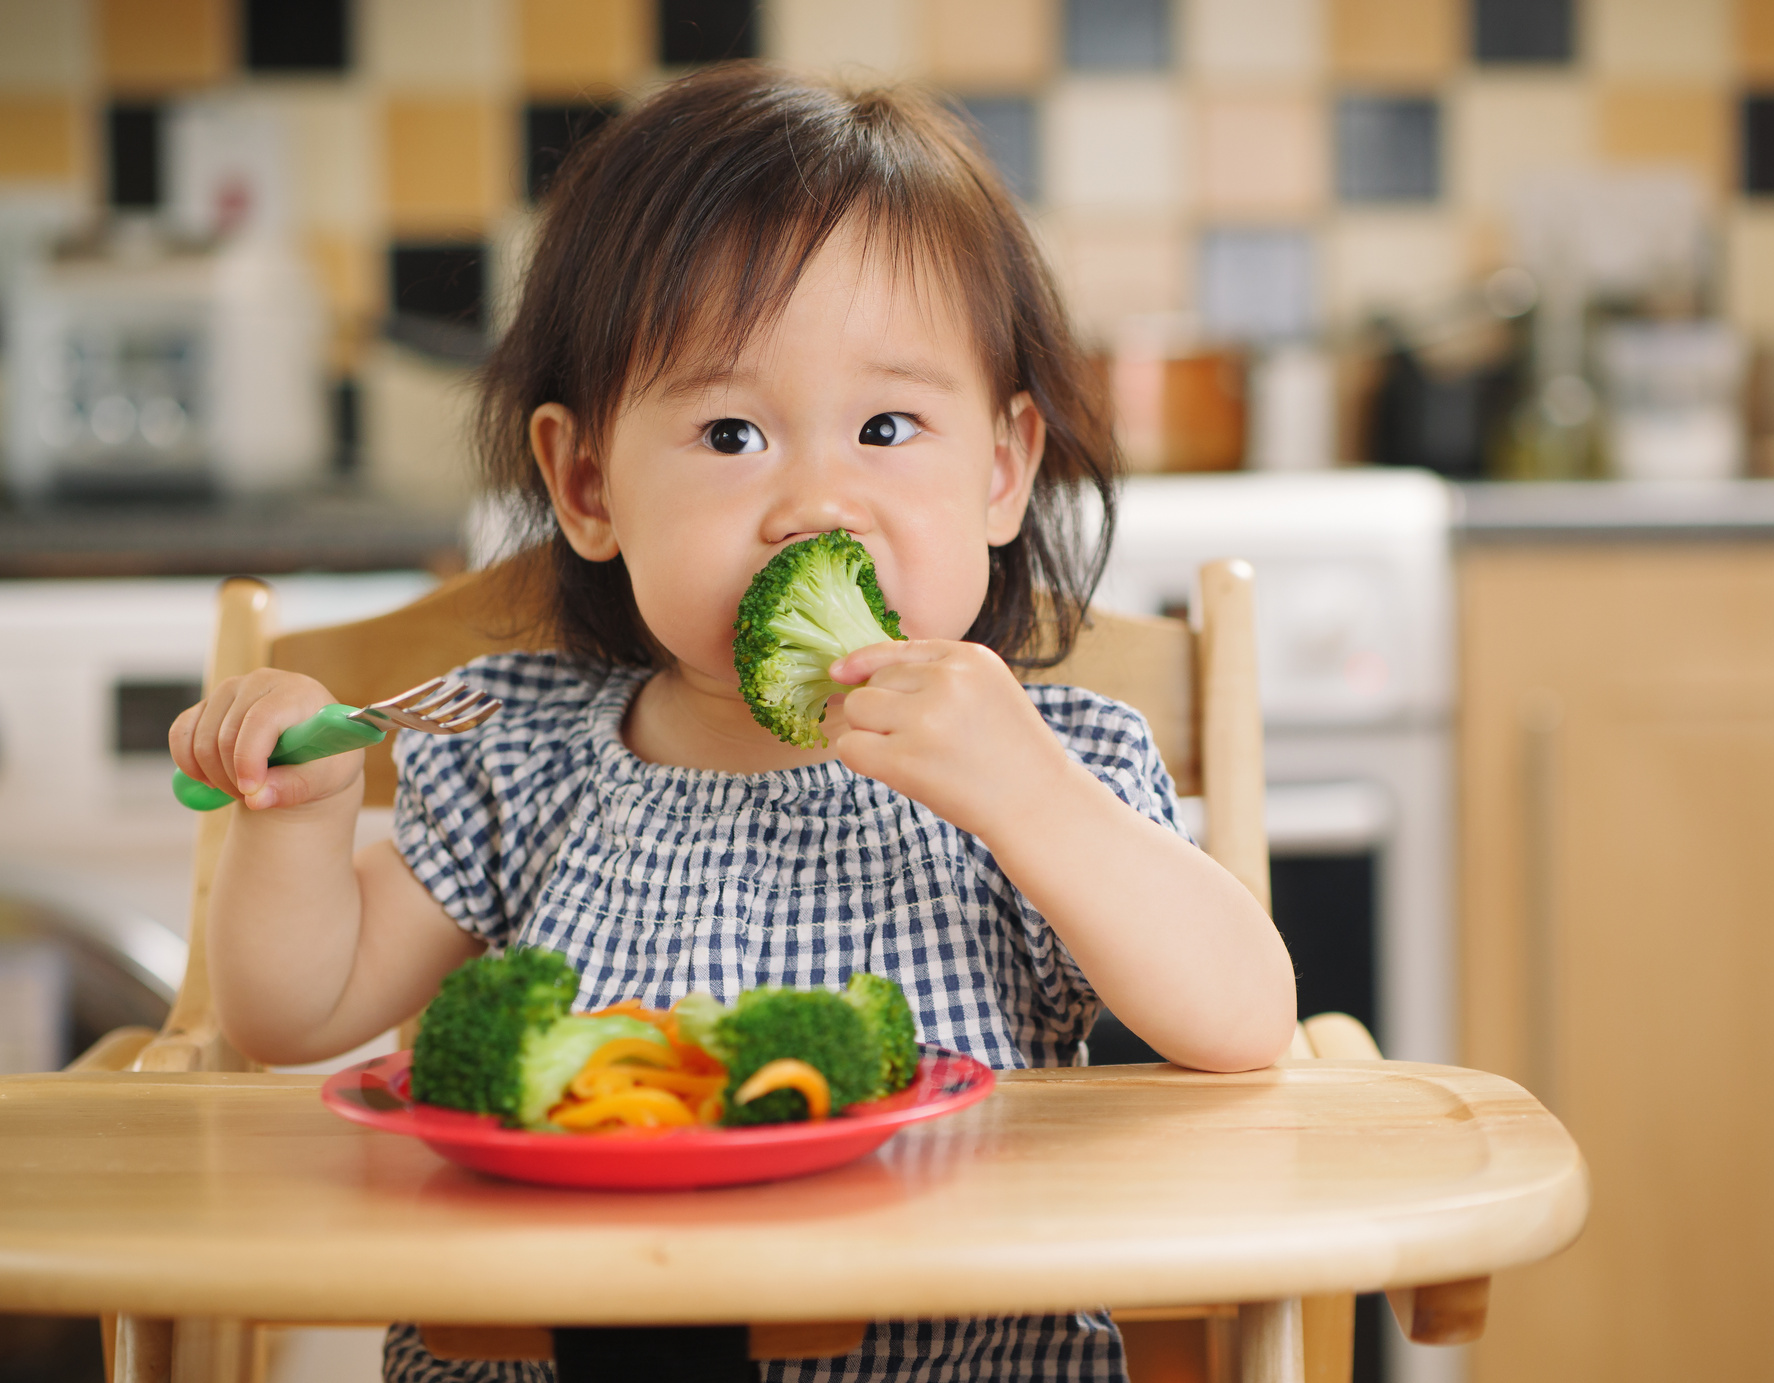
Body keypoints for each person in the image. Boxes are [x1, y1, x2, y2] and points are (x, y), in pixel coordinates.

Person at [169, 64, 1295, 1383]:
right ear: (586, 484)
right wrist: (297, 821)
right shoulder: (523, 755)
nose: (817, 505)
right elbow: (296, 1013)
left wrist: (1030, 798)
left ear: (1001, 470)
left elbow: (1243, 1020)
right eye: (728, 432)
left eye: (887, 425)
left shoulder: (1058, 766)